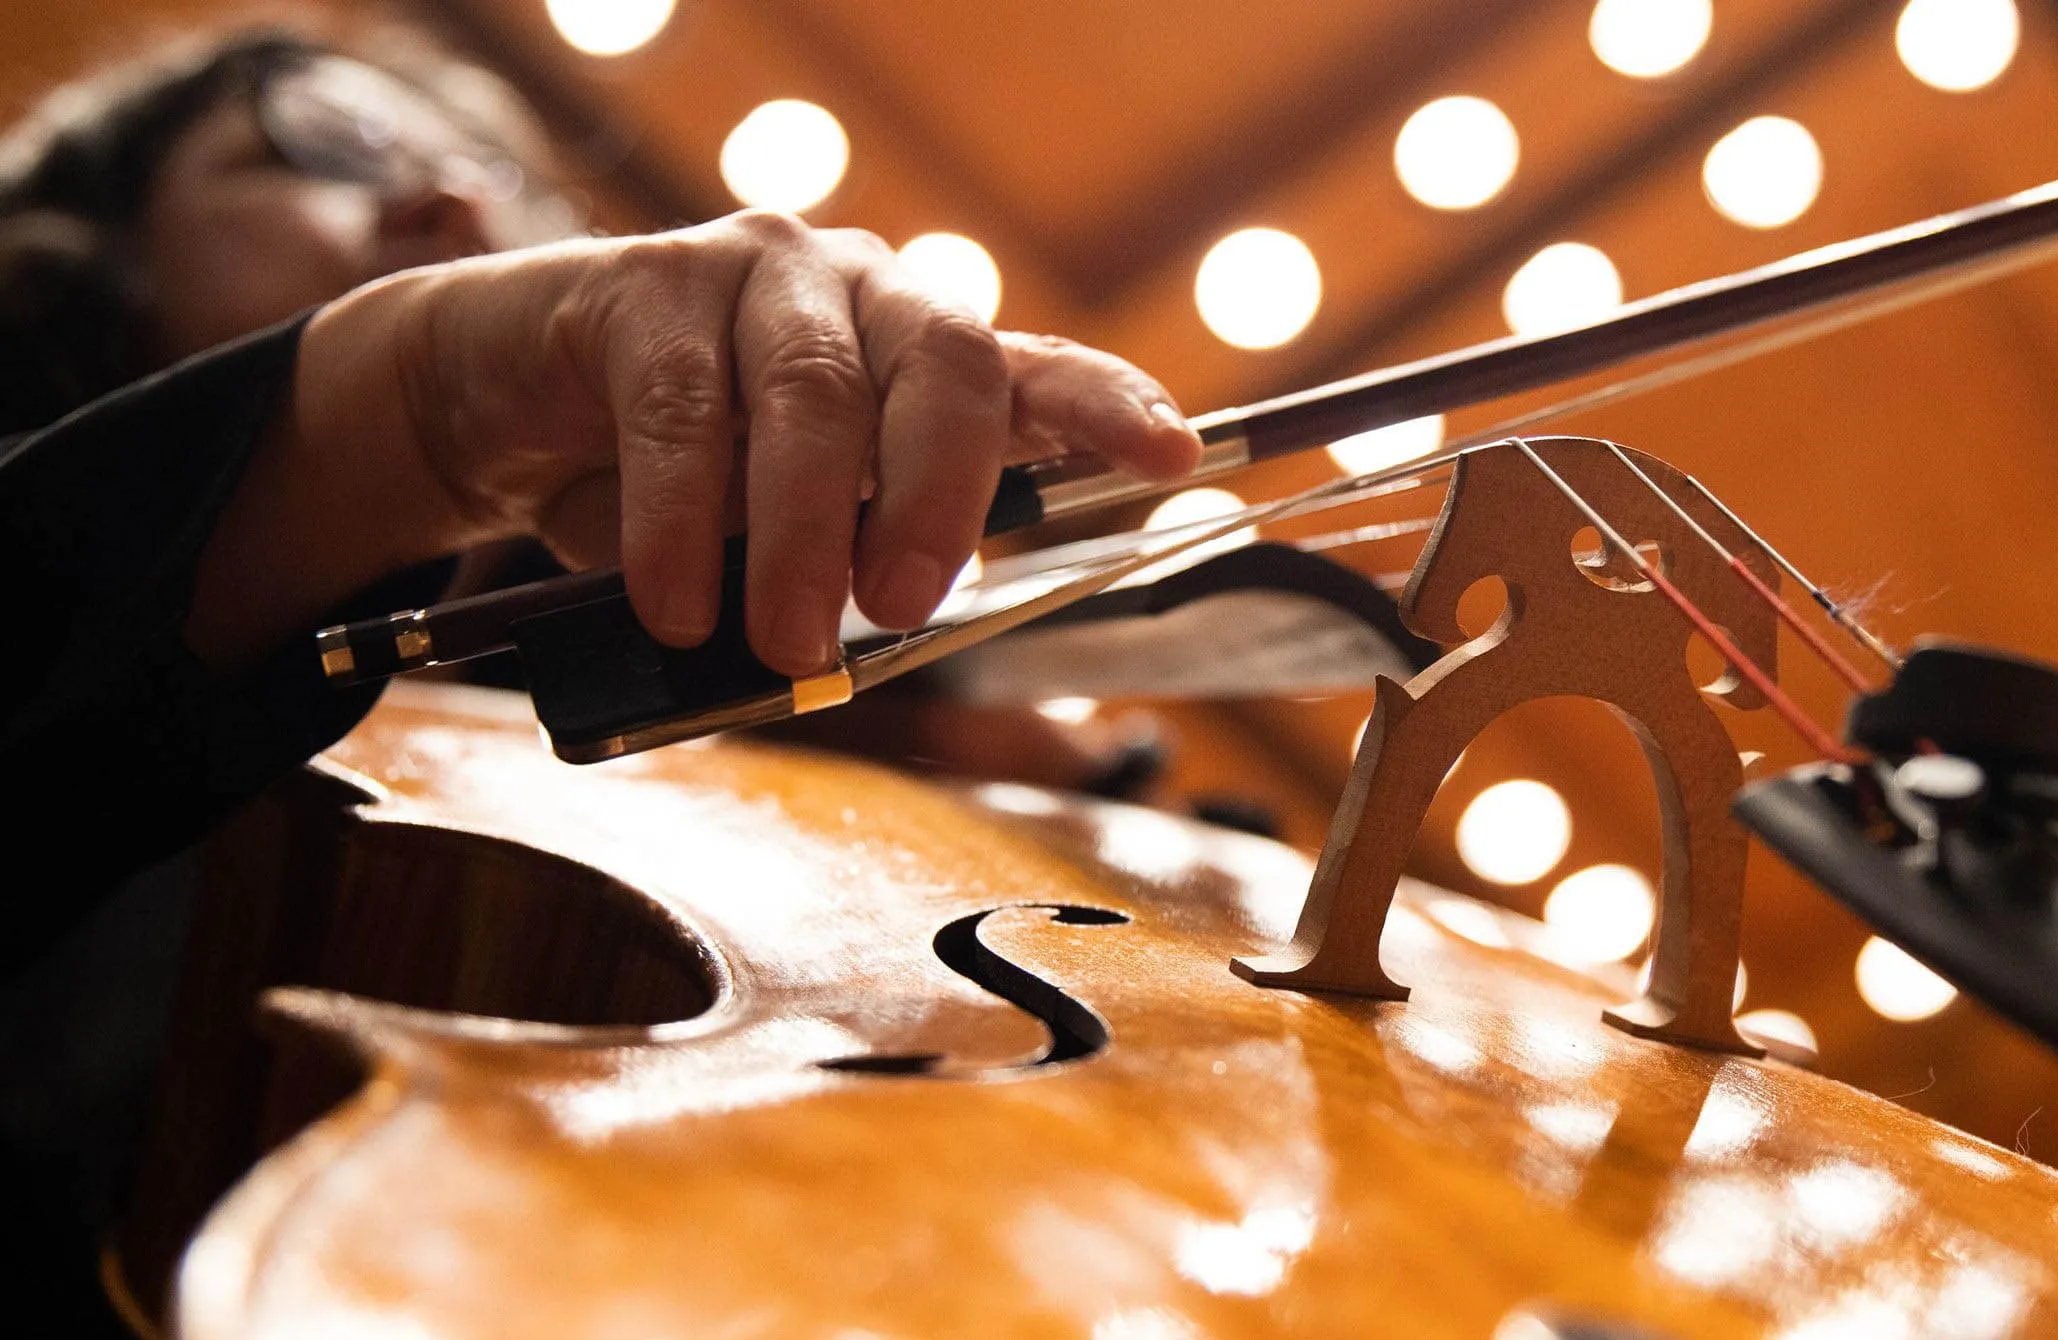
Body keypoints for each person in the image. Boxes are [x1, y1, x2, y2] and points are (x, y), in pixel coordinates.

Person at [0, 24, 1200, 1327]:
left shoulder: (616, 717)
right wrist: (417, 403)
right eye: (327, 146)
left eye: (494, 176)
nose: (449, 195)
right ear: (90, 259)